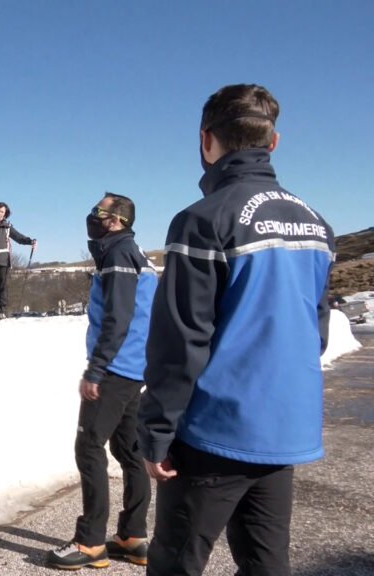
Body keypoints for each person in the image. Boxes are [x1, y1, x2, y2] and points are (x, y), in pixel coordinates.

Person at [138, 84, 335, 576]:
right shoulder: (316, 224)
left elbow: (181, 341)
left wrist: (157, 431)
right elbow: (317, 332)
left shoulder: (202, 221)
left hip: (215, 435)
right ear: (273, 142)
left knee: (176, 563)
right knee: (267, 563)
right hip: (284, 430)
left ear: (207, 141)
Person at [46, 193, 156, 570]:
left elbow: (119, 316)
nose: (92, 216)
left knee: (89, 447)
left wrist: (97, 369)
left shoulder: (119, 254)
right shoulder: (131, 252)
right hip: (134, 368)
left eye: (99, 211)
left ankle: (91, 541)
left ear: (117, 221)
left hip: (116, 369)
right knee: (129, 453)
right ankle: (133, 537)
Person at [0, 202, 35, 320]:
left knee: (2, 286)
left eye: (2, 212)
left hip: (3, 261)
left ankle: (1, 310)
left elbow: (18, 237)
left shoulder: (7, 226)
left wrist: (30, 241)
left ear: (5, 214)